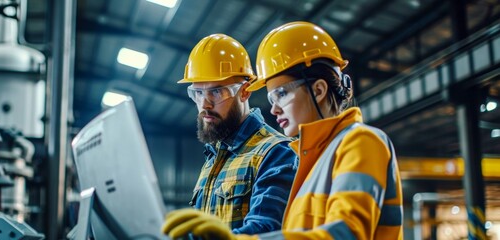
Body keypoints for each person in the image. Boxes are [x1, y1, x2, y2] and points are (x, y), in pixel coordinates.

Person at [163, 22, 403, 239]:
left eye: (282, 94)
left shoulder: (361, 141)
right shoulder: (312, 163)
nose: (274, 109)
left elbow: (345, 233)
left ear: (318, 90)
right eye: (271, 97)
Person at [173, 33, 297, 235]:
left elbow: (265, 231)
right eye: (198, 92)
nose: (205, 104)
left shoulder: (276, 152)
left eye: (216, 92)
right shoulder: (213, 159)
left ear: (245, 92)